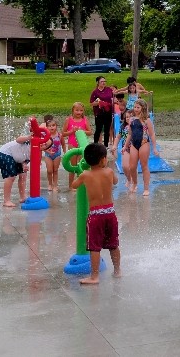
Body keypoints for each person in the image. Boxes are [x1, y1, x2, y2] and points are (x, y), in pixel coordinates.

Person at [71, 142, 121, 284]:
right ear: (103, 159)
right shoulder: (109, 172)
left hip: (95, 215)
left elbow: (74, 186)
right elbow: (116, 182)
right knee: (113, 244)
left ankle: (94, 277)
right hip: (110, 213)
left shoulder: (85, 175)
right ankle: (117, 271)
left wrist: (79, 171)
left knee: (94, 247)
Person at [0, 131, 50, 207]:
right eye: (43, 141)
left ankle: (22, 197)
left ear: (45, 149)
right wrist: (29, 137)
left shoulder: (36, 151)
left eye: (46, 145)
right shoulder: (30, 141)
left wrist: (24, 165)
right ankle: (6, 200)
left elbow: (24, 158)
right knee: (11, 177)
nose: (43, 143)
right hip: (5, 153)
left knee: (23, 175)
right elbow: (18, 140)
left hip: (16, 158)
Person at [123, 98, 159, 196]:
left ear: (143, 108)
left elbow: (152, 135)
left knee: (144, 166)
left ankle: (146, 188)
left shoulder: (146, 120)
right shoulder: (131, 120)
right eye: (135, 107)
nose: (136, 109)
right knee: (132, 166)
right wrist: (125, 146)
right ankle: (134, 183)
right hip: (134, 145)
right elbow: (130, 134)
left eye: (138, 107)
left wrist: (155, 148)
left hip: (144, 143)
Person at [62, 102, 92, 188]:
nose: (79, 112)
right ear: (73, 110)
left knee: (81, 165)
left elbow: (90, 132)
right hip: (72, 144)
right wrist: (71, 131)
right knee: (73, 166)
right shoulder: (68, 120)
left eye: (81, 110)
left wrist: (82, 130)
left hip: (82, 145)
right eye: (77, 110)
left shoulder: (85, 119)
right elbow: (63, 133)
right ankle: (71, 185)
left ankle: (81, 184)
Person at [42, 114, 66, 192]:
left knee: (55, 170)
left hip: (57, 155)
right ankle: (50, 184)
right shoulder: (46, 136)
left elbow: (63, 144)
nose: (52, 127)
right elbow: (42, 146)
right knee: (49, 171)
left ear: (56, 126)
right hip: (48, 155)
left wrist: (65, 152)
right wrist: (46, 151)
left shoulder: (59, 135)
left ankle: (55, 185)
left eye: (53, 125)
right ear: (47, 127)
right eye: (50, 126)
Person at [89, 76, 114, 148]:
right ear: (98, 83)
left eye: (104, 81)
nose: (103, 83)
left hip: (108, 111)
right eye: (102, 81)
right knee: (98, 129)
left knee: (107, 129)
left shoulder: (109, 89)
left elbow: (113, 98)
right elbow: (91, 103)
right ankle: (95, 145)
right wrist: (99, 103)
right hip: (99, 112)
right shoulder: (95, 92)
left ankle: (106, 145)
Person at [112, 109, 134, 186]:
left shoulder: (137, 126)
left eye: (131, 116)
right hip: (126, 148)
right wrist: (115, 145)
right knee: (125, 166)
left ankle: (134, 182)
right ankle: (129, 179)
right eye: (127, 117)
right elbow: (118, 137)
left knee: (133, 167)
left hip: (135, 149)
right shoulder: (123, 127)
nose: (128, 118)